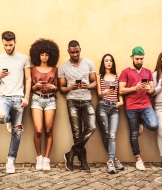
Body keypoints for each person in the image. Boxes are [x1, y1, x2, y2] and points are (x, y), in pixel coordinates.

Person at [0, 31, 31, 174]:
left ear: (15, 42)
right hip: (3, 97)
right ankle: (8, 118)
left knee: (17, 131)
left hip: (19, 97)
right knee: (1, 117)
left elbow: (28, 79)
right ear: (2, 43)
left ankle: (10, 161)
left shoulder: (24, 58)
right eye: (5, 45)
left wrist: (26, 97)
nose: (8, 48)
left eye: (10, 45)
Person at [58, 40, 97, 172]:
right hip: (72, 101)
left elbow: (94, 83)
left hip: (86, 100)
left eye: (77, 52)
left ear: (80, 50)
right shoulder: (63, 67)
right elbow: (61, 89)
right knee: (76, 132)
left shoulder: (89, 63)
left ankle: (71, 152)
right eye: (72, 52)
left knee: (91, 127)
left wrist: (87, 86)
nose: (75, 54)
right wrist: (70, 87)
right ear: (68, 51)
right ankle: (83, 162)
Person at [118, 46, 159, 171]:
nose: (139, 61)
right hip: (131, 107)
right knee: (134, 133)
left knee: (154, 125)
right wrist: (135, 88)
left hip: (146, 105)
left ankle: (142, 121)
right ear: (132, 58)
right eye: (137, 59)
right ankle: (138, 159)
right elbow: (121, 90)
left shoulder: (147, 72)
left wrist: (149, 89)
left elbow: (152, 90)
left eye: (141, 59)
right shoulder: (125, 72)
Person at [29, 38, 60, 171]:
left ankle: (46, 159)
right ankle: (39, 157)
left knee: (48, 130)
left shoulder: (54, 69)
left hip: (50, 100)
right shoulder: (33, 69)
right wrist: (36, 86)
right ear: (37, 55)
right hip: (36, 99)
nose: (44, 57)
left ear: (51, 55)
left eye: (47, 54)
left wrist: (52, 86)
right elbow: (30, 87)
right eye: (42, 54)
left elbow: (57, 87)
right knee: (38, 130)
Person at [96, 54, 124, 174]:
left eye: (111, 61)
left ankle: (111, 160)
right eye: (106, 60)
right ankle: (113, 160)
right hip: (102, 106)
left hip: (114, 107)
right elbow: (98, 94)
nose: (109, 62)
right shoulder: (99, 76)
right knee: (106, 134)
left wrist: (121, 102)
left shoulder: (118, 77)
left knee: (112, 135)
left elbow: (119, 93)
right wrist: (105, 92)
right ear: (103, 63)